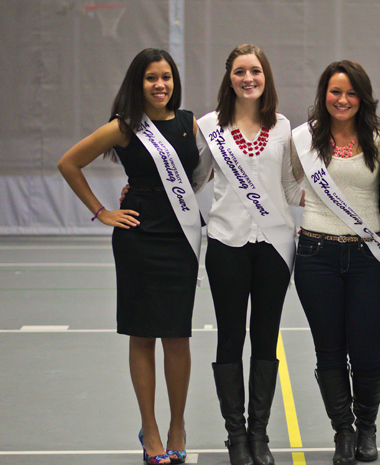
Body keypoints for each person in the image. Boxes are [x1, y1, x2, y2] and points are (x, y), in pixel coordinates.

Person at [58, 48, 209, 464]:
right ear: (137, 83)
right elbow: (69, 163)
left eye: (166, 77)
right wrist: (101, 211)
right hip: (139, 238)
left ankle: (178, 424)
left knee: (178, 335)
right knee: (142, 335)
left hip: (180, 237)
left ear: (174, 81)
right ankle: (152, 430)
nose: (160, 85)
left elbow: (199, 175)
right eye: (150, 78)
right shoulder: (124, 127)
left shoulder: (188, 123)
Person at [195, 44, 304, 465]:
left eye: (255, 71)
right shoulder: (210, 126)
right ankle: (235, 436)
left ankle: (259, 435)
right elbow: (192, 180)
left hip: (275, 248)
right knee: (229, 338)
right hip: (226, 244)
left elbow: (291, 185)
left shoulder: (282, 126)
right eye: (240, 71)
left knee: (265, 338)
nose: (248, 78)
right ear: (230, 77)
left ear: (265, 76)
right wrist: (147, 192)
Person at [290, 60, 380, 465]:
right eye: (335, 92)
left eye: (351, 93)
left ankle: (367, 428)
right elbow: (281, 181)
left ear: (362, 97)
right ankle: (343, 434)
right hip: (316, 255)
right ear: (323, 95)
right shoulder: (305, 139)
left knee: (367, 352)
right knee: (328, 351)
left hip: (368, 256)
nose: (343, 100)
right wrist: (311, 205)